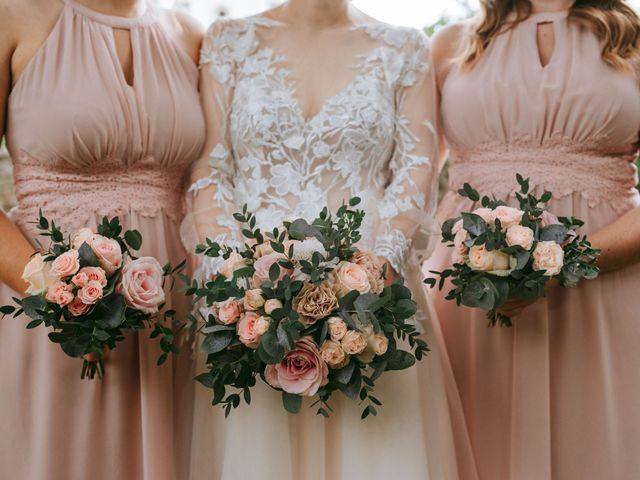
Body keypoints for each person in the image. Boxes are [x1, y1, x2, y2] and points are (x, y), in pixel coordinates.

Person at [181, 0, 473, 478]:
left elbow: (416, 169)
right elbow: (210, 169)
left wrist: (374, 274)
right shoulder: (227, 40)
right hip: (250, 299)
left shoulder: (404, 47)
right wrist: (236, 281)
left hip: (373, 292)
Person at [426, 0, 640, 478]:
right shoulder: (448, 46)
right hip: (468, 296)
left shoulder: (633, 40)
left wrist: (566, 260)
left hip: (605, 293)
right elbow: (409, 183)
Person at [0, 0, 205, 478]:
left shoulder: (190, 34)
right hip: (53, 313)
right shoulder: (14, 16)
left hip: (175, 316)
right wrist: (52, 288)